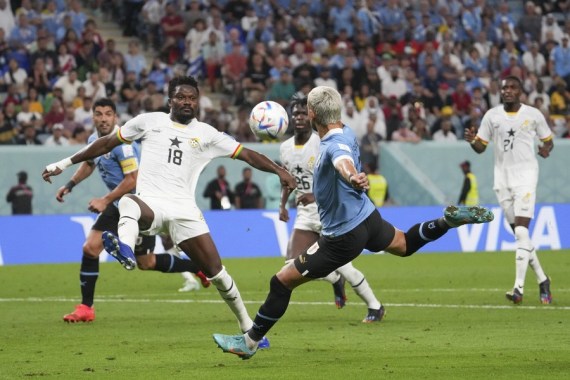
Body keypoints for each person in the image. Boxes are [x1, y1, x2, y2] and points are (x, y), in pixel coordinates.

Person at [213, 86, 494, 359]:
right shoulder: (345, 131)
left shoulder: (332, 145)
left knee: (281, 281)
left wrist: (352, 176)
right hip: (368, 218)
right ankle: (445, 221)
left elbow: (342, 162)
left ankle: (250, 342)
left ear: (311, 114)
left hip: (342, 236)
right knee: (405, 244)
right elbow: (342, 151)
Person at [42, 76, 296, 339]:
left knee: (218, 274)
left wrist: (279, 171)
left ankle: (249, 329)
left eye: (192, 98)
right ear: (170, 100)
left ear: (197, 102)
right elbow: (105, 143)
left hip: (185, 213)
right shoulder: (148, 122)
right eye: (181, 97)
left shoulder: (207, 134)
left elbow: (247, 154)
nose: (187, 102)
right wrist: (63, 164)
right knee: (128, 201)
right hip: (151, 205)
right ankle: (125, 248)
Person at [53, 98, 209, 323]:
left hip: (138, 205)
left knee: (145, 263)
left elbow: (132, 179)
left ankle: (197, 266)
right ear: (93, 116)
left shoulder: (123, 145)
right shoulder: (93, 140)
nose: (103, 118)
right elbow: (88, 163)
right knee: (90, 249)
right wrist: (69, 185)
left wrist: (105, 199)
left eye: (108, 114)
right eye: (99, 114)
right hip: (116, 204)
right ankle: (86, 308)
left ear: (115, 117)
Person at [279, 97, 384, 321]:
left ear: (310, 116)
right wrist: (282, 204)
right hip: (305, 214)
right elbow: (286, 179)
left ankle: (375, 306)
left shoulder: (321, 142)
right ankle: (334, 280)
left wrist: (315, 194)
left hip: (330, 211)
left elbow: (337, 175)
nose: (298, 117)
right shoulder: (285, 148)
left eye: (302, 113)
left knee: (345, 266)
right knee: (291, 263)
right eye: (294, 114)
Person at [464, 75, 553, 305]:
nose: (508, 91)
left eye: (513, 87)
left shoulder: (533, 114)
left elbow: (548, 140)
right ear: (500, 91)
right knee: (520, 237)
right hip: (502, 180)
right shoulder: (492, 116)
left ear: (521, 91)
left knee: (522, 232)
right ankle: (543, 280)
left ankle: (518, 288)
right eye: (505, 88)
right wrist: (472, 140)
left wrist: (546, 150)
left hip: (526, 177)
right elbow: (481, 148)